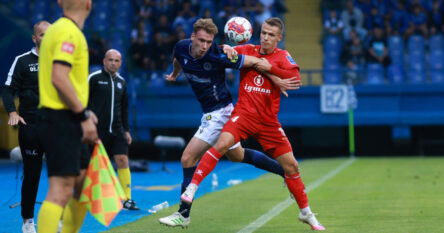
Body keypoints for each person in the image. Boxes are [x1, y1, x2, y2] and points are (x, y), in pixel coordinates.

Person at [181, 17, 326, 231]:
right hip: (244, 115)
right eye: (264, 33)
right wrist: (229, 49)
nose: (265, 37)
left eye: (270, 35)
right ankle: (191, 190)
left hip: (268, 122)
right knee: (221, 144)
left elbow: (294, 77)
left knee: (292, 166)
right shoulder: (248, 49)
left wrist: (271, 69)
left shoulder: (283, 56)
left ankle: (306, 213)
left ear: (279, 38)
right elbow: (222, 50)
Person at [36, 0, 97, 232]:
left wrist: (85, 113)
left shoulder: (58, 30)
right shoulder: (68, 32)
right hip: (61, 119)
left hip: (68, 117)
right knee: (60, 191)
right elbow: (59, 78)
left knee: (82, 186)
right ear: (89, 5)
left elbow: (67, 81)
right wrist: (83, 115)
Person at [1, 20, 50, 233]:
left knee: (61, 175)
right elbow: (7, 90)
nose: (45, 38)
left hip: (56, 127)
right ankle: (28, 221)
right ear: (34, 38)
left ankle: (57, 219)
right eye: (41, 35)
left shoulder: (61, 62)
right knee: (32, 175)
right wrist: (12, 112)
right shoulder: (21, 61)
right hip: (30, 127)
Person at [87, 49, 139, 210]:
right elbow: (83, 102)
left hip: (117, 130)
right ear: (104, 61)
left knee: (123, 160)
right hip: (96, 130)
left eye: (116, 61)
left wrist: (127, 130)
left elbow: (124, 109)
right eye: (110, 60)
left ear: (120, 63)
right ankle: (93, 198)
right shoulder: (93, 79)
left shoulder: (122, 82)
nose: (113, 63)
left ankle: (127, 199)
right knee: (94, 165)